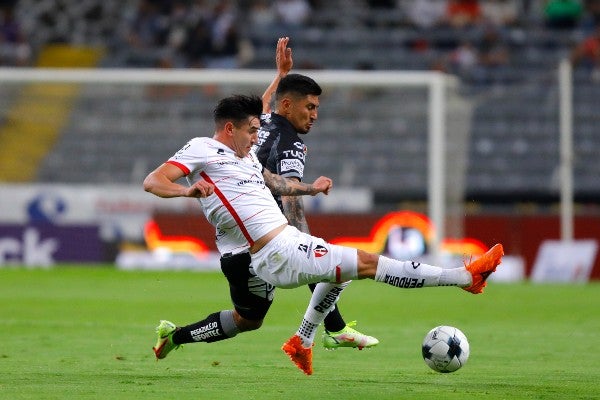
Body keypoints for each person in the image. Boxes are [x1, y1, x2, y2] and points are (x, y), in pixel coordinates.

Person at [143, 93, 505, 375]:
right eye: (252, 130)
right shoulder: (203, 148)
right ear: (229, 129)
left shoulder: (247, 157)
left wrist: (310, 189)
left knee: (290, 299)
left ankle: (297, 340)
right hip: (273, 251)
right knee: (361, 263)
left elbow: (275, 178)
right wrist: (186, 192)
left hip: (275, 247)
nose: (258, 137)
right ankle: (465, 277)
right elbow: (153, 181)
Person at [256, 37, 378, 352]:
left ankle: (334, 329)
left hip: (236, 216)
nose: (314, 115)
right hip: (256, 228)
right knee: (317, 261)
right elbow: (291, 199)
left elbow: (267, 103)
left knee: (248, 317)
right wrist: (303, 241)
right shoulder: (292, 143)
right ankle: (333, 330)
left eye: (316, 108)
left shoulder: (264, 122)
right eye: (309, 107)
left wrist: (281, 74)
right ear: (290, 106)